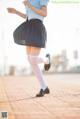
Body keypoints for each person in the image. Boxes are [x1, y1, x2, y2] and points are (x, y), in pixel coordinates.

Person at [7, 0, 51, 97]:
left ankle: (46, 60)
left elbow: (44, 13)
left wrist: (29, 5)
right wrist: (15, 12)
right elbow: (28, 16)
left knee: (33, 59)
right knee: (30, 60)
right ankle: (44, 87)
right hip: (29, 27)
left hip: (37, 27)